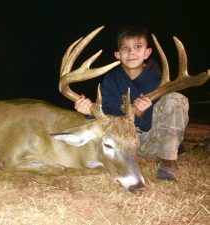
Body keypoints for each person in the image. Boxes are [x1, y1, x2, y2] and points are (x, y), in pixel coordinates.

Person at [75, 25, 189, 180]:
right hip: (125, 145)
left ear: (147, 52)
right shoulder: (111, 81)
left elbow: (162, 120)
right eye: (124, 48)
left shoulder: (159, 82)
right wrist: (89, 111)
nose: (131, 52)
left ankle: (168, 161)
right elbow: (108, 114)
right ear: (117, 55)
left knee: (175, 98)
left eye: (138, 46)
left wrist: (142, 113)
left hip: (153, 142)